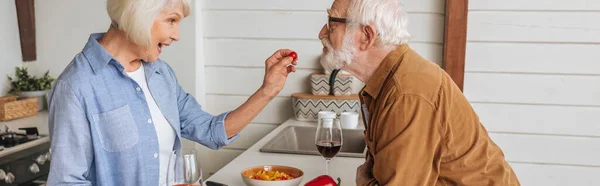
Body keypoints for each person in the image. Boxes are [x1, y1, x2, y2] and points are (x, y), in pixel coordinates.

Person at [46, 0, 297, 185]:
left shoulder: (160, 74)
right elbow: (66, 182)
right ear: (139, 14)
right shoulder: (76, 87)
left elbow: (212, 131)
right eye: (171, 21)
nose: (176, 36)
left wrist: (268, 90)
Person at [317, 0, 520, 185]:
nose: (322, 34)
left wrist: (364, 179)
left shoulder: (406, 94)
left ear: (366, 36)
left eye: (332, 24)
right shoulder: (389, 81)